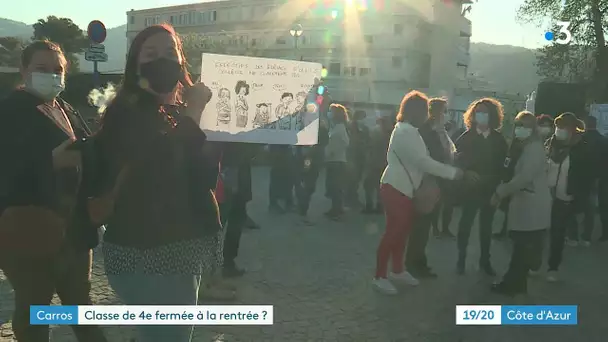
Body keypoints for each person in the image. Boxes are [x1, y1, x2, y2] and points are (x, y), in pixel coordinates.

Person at [93, 24, 219, 342]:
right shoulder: (125, 113)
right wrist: (194, 112)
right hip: (148, 251)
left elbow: (200, 179)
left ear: (181, 62)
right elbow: (159, 169)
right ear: (135, 65)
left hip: (181, 248)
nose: (162, 61)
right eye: (150, 54)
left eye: (169, 53)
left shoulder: (176, 114)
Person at [0, 40, 107, 342]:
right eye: (41, 68)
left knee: (81, 305)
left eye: (57, 69)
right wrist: (49, 162)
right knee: (34, 308)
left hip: (73, 228)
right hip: (29, 231)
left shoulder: (65, 108)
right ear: (23, 71)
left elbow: (90, 149)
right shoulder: (9, 112)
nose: (52, 75)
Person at [372, 91, 471, 295]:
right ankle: (380, 275)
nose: (428, 115)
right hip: (396, 188)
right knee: (393, 232)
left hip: (404, 188)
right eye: (425, 110)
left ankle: (398, 270)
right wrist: (453, 173)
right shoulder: (406, 132)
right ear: (415, 112)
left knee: (402, 231)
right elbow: (423, 162)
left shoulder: (409, 130)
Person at [490, 111, 551, 296]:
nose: (520, 129)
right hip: (525, 204)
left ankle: (512, 285)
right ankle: (517, 285)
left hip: (532, 205)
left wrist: (500, 192)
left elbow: (524, 178)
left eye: (525, 125)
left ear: (532, 129)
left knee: (522, 249)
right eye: (518, 124)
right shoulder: (521, 146)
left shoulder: (534, 149)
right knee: (520, 248)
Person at [454, 98, 508, 276]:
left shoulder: (499, 140)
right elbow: (457, 161)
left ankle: (485, 261)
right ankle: (461, 259)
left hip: (489, 190)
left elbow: (502, 167)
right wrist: (466, 172)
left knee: (486, 227)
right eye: (478, 111)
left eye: (484, 112)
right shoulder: (465, 137)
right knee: (465, 225)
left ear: (492, 115)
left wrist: (498, 190)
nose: (481, 115)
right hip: (470, 189)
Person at [405, 97, 456, 278]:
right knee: (420, 226)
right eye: (444, 111)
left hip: (437, 182)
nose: (446, 115)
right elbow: (428, 158)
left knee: (424, 226)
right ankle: (414, 263)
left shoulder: (440, 130)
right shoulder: (425, 131)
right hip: (426, 182)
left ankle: (418, 261)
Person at [545, 112, 593, 282]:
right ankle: (534, 264)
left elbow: (587, 176)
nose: (559, 130)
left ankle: (553, 267)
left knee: (557, 234)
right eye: (558, 126)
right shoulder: (551, 144)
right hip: (546, 195)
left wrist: (580, 197)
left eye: (563, 127)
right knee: (540, 231)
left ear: (573, 129)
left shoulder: (582, 148)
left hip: (565, 197)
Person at [579, 115, 607, 245]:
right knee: (603, 206)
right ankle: (605, 234)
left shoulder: (582, 139)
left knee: (588, 207)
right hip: (602, 177)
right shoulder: (603, 140)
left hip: (586, 177)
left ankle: (586, 235)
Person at [362, 115, 393, 214]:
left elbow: (370, 146)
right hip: (383, 163)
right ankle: (378, 206)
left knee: (369, 185)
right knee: (377, 186)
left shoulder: (377, 133)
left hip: (376, 162)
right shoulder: (390, 134)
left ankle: (370, 205)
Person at [324, 104, 350, 220]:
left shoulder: (339, 128)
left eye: (331, 111)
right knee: (334, 186)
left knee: (335, 186)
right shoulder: (336, 127)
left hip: (336, 161)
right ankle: (337, 208)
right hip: (334, 160)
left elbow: (344, 143)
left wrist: (332, 152)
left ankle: (337, 210)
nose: (329, 113)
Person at [345, 110, 369, 207]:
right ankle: (350, 198)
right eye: (362, 117)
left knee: (356, 178)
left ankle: (351, 197)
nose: (363, 119)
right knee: (352, 178)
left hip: (359, 156)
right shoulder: (351, 126)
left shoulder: (364, 128)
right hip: (352, 155)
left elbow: (367, 140)